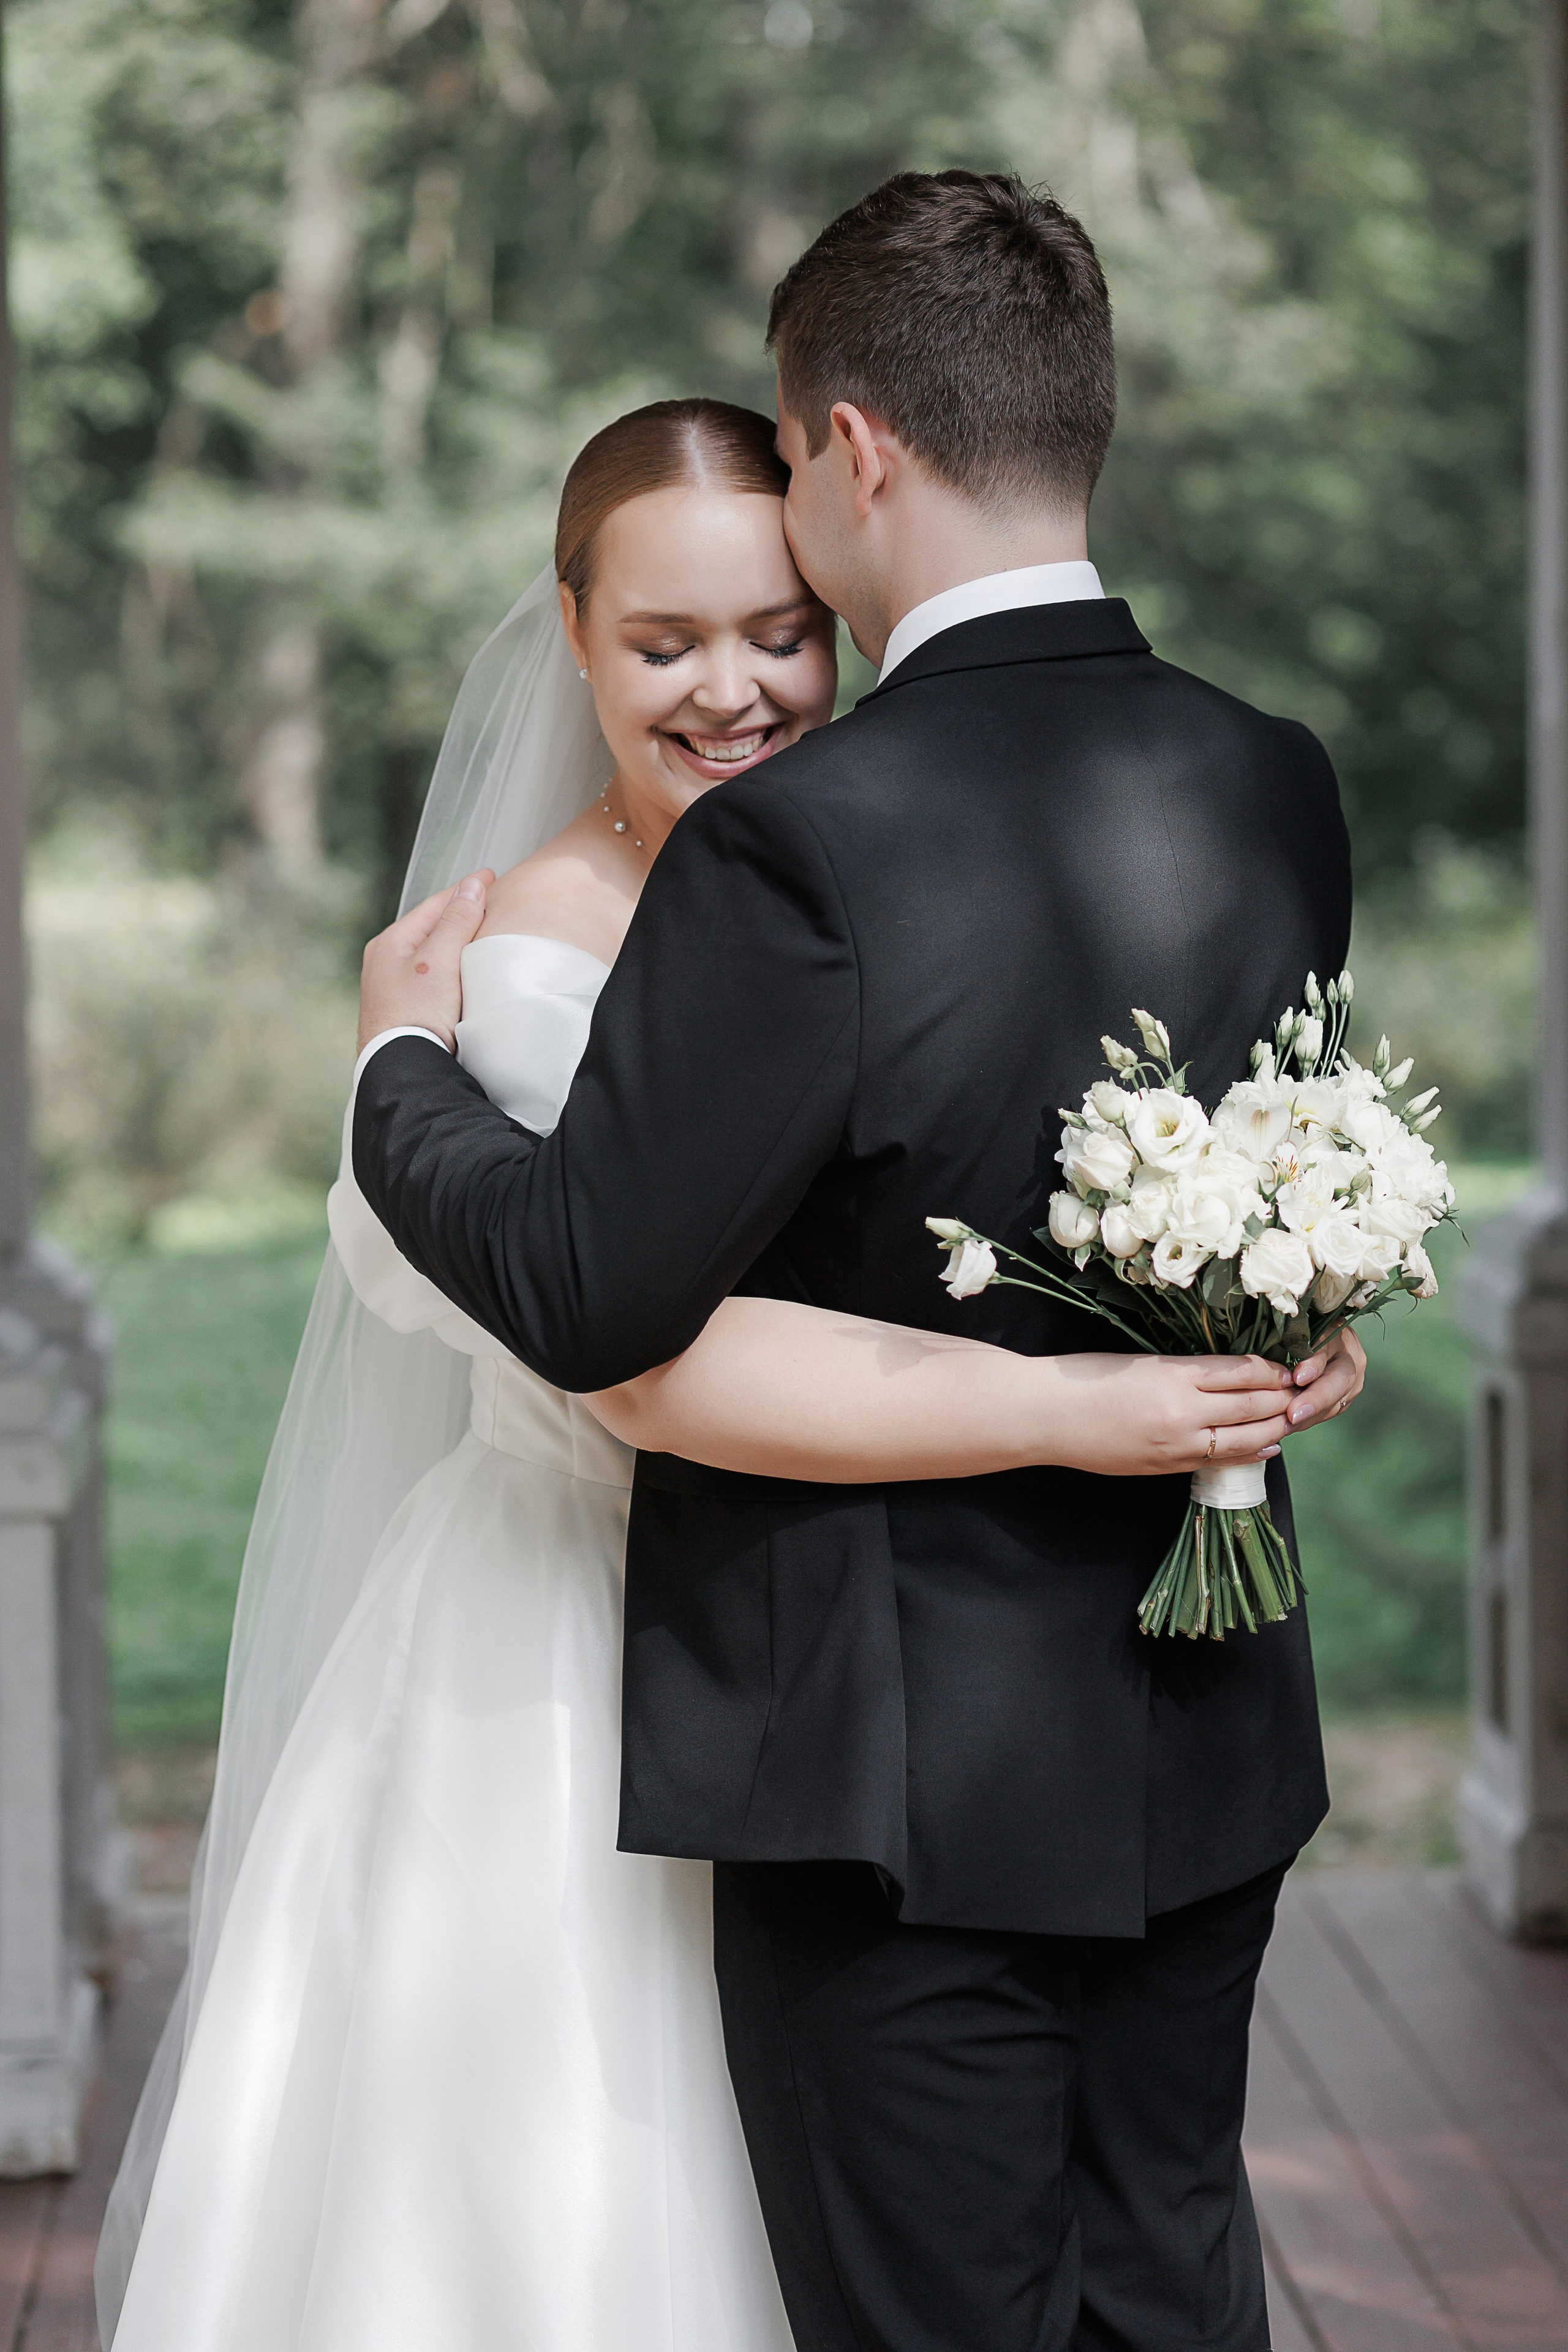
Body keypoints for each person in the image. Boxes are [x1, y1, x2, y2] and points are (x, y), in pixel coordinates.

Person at [96, 396, 1344, 2352]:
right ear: (573, 633)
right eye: (664, 643)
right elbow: (615, 1349)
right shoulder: (517, 956)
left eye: (777, 632)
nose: (733, 689)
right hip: (568, 1654)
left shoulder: (874, 855)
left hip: (863, 1662)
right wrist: (400, 1069)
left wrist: (1254, 1321)